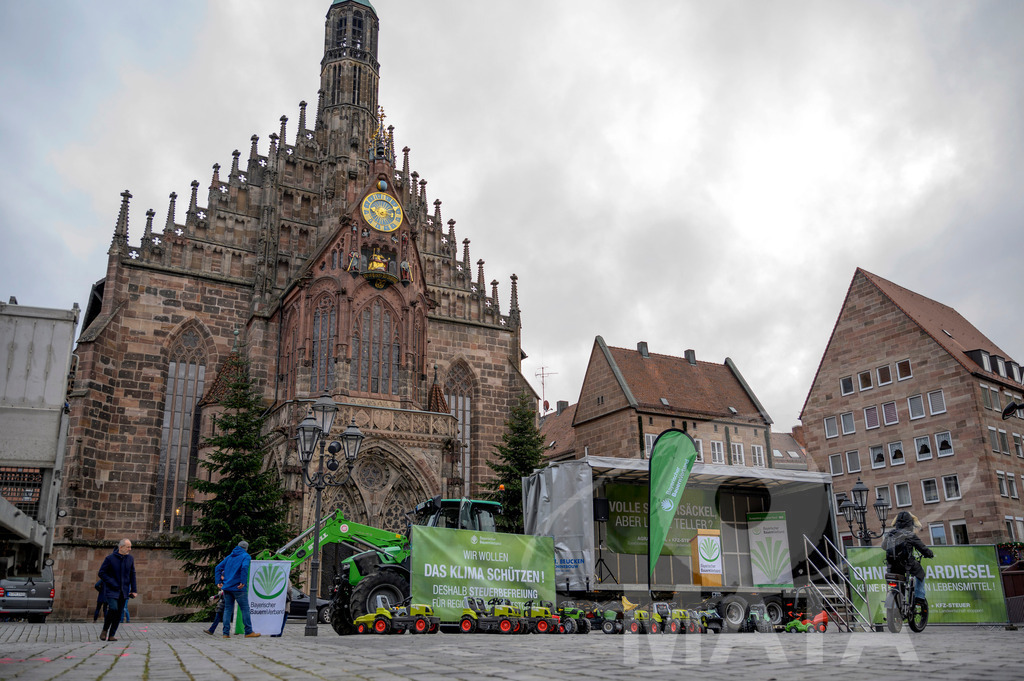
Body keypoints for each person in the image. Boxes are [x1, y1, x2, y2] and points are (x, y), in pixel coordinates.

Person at [882, 511, 935, 607]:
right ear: (910, 523)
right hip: (907, 565)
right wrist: (930, 554)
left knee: (898, 584)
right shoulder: (910, 535)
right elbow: (923, 548)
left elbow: (883, 546)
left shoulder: (891, 533)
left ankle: (898, 601)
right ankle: (919, 597)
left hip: (892, 566)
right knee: (920, 574)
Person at [215, 540, 260, 638]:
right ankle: (248, 632)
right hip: (238, 588)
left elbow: (218, 567)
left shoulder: (230, 557)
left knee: (227, 609)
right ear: (246, 548)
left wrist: (218, 582)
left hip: (227, 587)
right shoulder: (246, 556)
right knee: (245, 609)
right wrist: (243, 582)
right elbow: (244, 567)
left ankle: (225, 633)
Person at [97, 538, 137, 642]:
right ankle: (105, 630)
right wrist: (112, 582)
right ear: (121, 547)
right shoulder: (110, 558)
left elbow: (132, 574)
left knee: (119, 613)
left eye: (130, 547)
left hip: (124, 590)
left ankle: (112, 635)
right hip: (112, 589)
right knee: (113, 609)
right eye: (128, 547)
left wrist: (134, 589)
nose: (130, 549)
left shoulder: (130, 559)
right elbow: (101, 573)